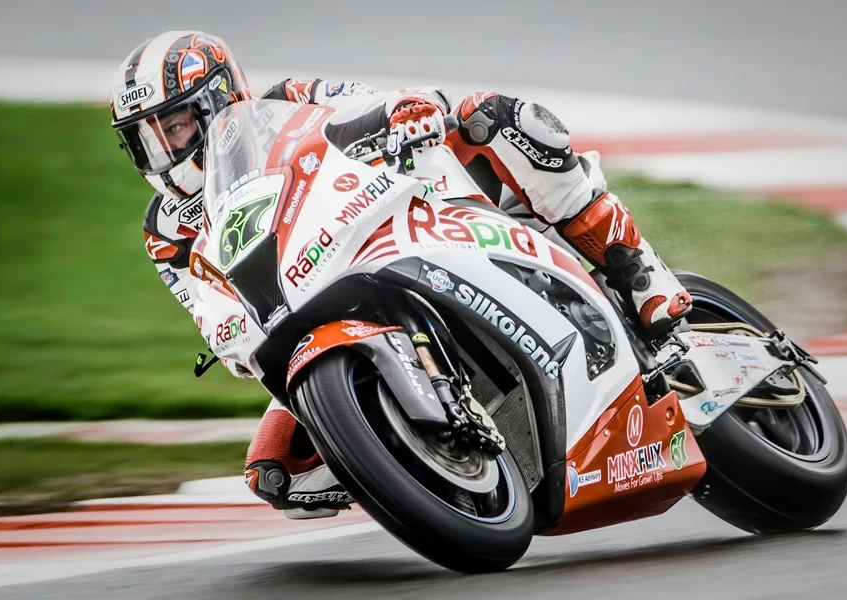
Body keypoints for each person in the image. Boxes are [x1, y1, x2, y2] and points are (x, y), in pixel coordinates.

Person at [111, 30, 692, 517]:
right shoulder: (165, 228)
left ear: (216, 99)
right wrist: (232, 340)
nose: (163, 152)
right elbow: (203, 300)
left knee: (495, 117)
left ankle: (639, 271)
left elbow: (373, 100)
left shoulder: (288, 101)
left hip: (413, 213)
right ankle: (414, 460)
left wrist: (404, 112)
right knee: (274, 473)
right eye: (145, 140)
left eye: (176, 126)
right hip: (304, 313)